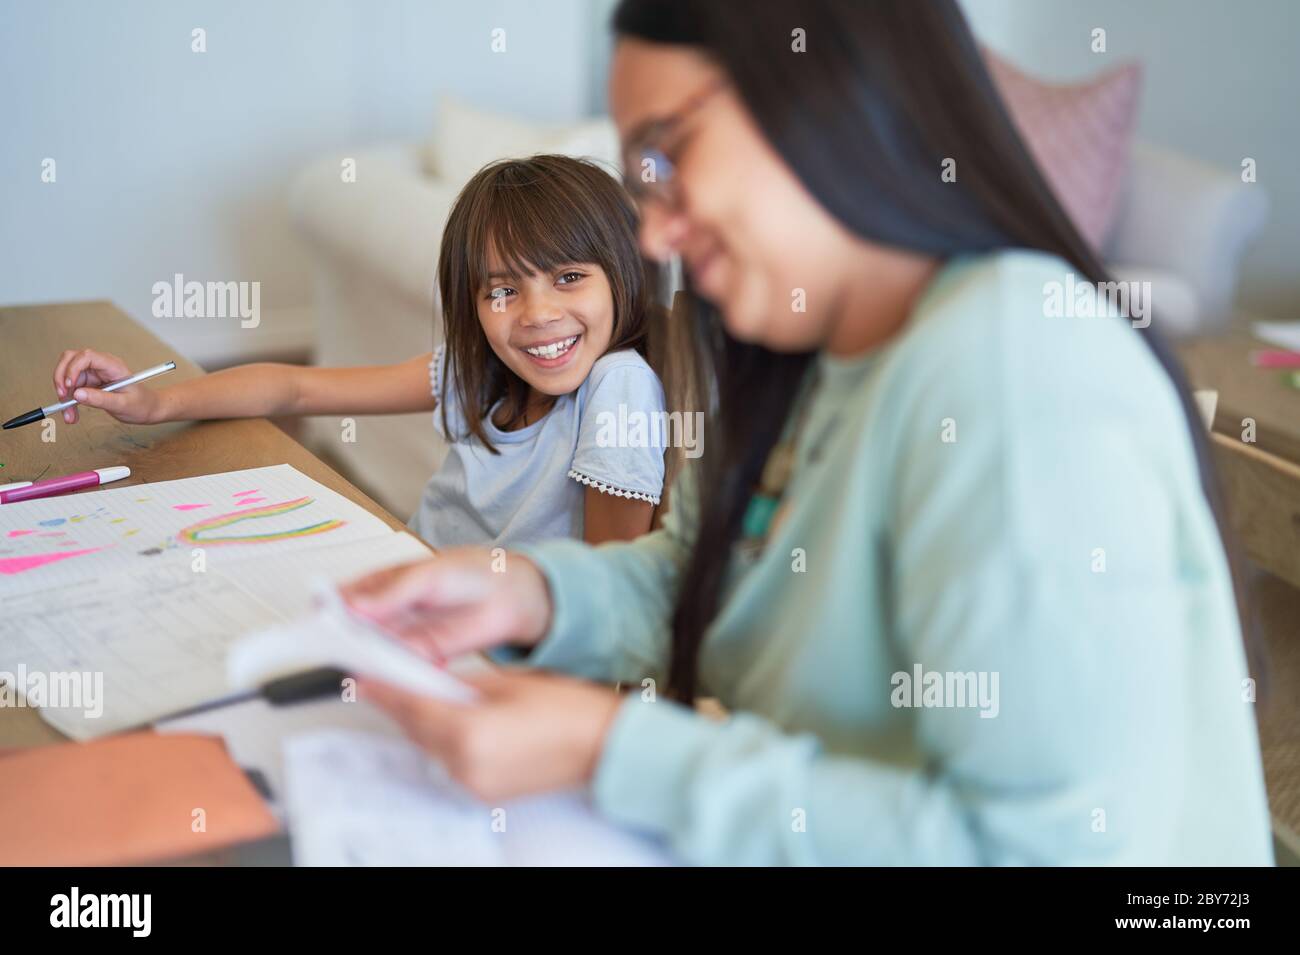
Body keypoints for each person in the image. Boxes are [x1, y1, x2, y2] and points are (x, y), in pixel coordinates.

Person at [340, 0, 1272, 865]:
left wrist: (610, 748)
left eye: (669, 154)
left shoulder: (1009, 363)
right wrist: (532, 591)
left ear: (829, 91)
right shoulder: (796, 351)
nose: (655, 235)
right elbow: (710, 571)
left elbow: (1035, 849)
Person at [51, 155, 670, 547]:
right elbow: (297, 389)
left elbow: (610, 587)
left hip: (487, 656)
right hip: (415, 596)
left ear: (622, 274)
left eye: (568, 278)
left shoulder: (618, 384)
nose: (537, 314)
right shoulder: (477, 371)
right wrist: (154, 402)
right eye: (504, 289)